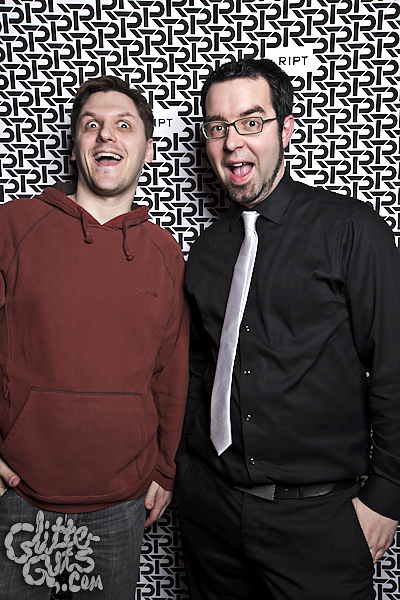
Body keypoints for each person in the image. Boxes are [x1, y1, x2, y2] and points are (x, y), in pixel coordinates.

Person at [175, 57, 400, 600]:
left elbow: (395, 364)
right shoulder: (205, 250)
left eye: (251, 122)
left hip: (317, 521)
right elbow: (198, 369)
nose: (233, 142)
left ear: (287, 128)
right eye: (217, 127)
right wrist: (184, 475)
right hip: (211, 510)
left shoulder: (352, 229)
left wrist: (387, 496)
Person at [0, 75, 189, 599]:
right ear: (75, 146)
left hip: (120, 504)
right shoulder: (14, 225)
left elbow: (171, 372)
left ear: (147, 149)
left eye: (123, 126)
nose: (107, 136)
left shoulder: (164, 252)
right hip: (18, 496)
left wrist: (165, 470)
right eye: (92, 125)